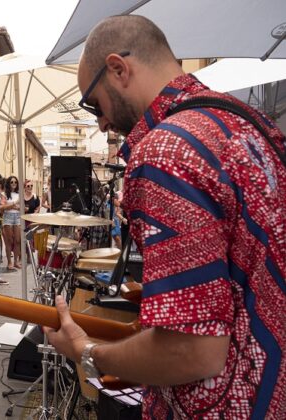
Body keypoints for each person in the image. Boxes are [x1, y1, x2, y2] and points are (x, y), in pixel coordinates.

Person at [44, 15, 286, 419]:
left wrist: (86, 353)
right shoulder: (248, 125)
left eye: (93, 103)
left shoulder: (166, 153)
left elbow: (192, 351)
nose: (101, 122)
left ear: (118, 68)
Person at [2, 176, 22, 270]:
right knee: (9, 241)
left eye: (15, 182)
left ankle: (16, 262)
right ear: (8, 183)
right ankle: (9, 262)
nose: (14, 184)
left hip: (18, 217)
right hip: (8, 217)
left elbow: (22, 207)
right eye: (11, 182)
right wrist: (15, 204)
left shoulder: (19, 194)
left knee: (17, 240)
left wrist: (11, 205)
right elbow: (3, 207)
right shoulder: (4, 194)